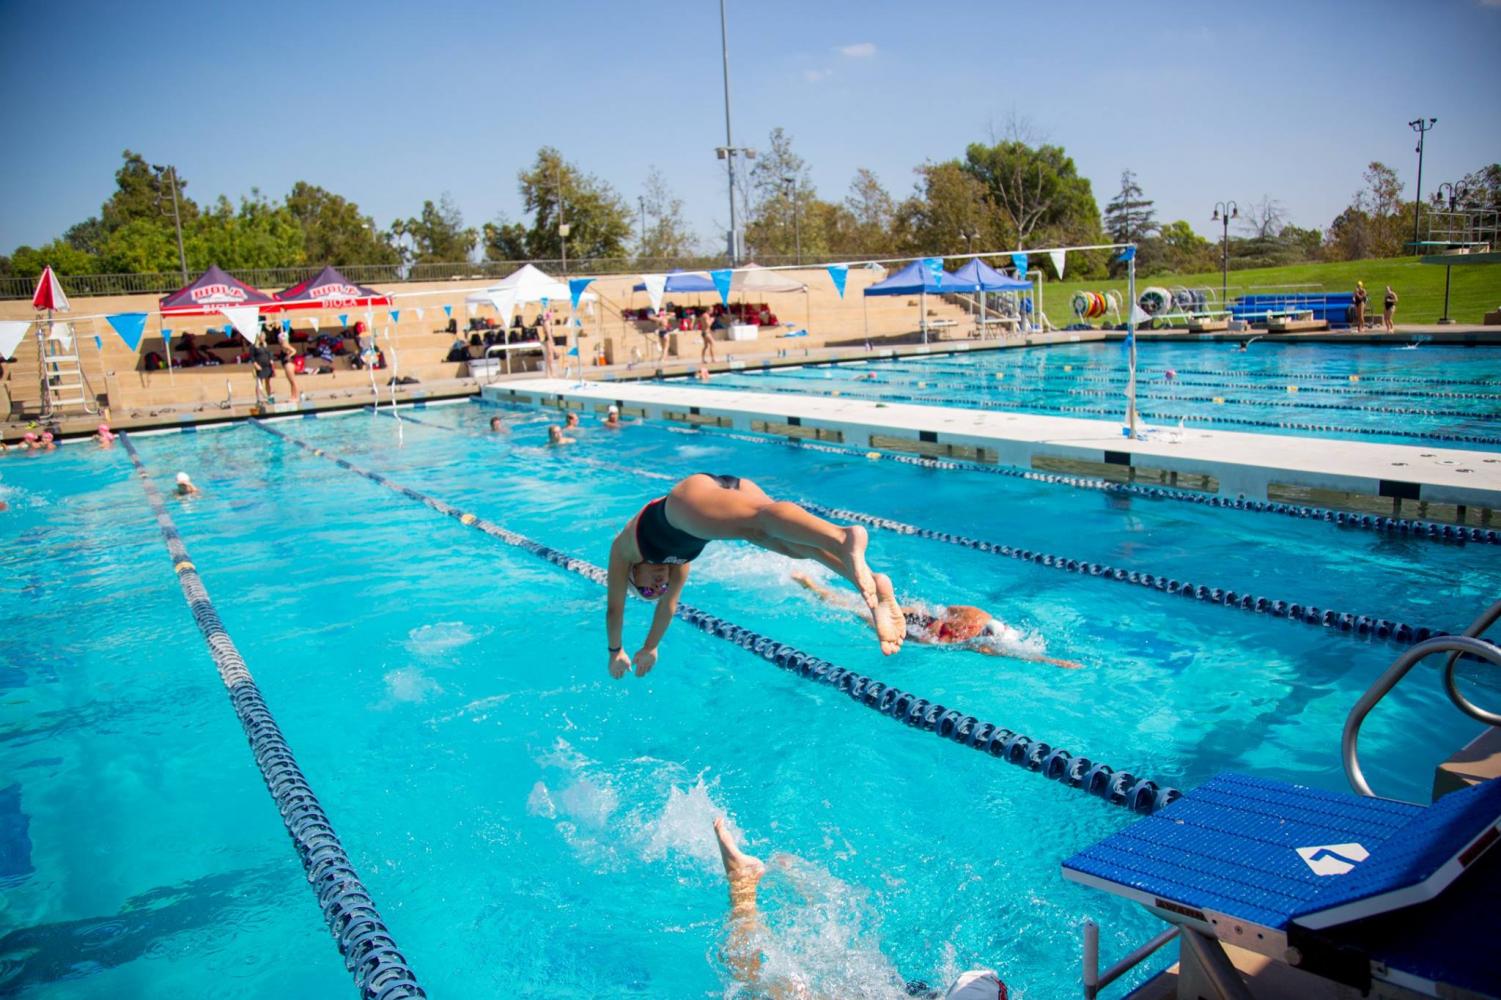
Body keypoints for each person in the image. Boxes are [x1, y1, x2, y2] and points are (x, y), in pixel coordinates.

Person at [606, 474, 904, 678]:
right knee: (790, 545)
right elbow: (668, 607)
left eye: (646, 591)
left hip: (686, 501)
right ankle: (871, 588)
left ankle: (842, 537)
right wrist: (649, 647)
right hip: (730, 492)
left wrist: (616, 650)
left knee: (761, 518)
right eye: (656, 591)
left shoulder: (624, 550)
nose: (658, 587)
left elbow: (615, 607)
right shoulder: (680, 566)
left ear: (633, 576)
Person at [712, 817, 1008, 1000]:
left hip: (889, 988)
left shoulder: (960, 989)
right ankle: (743, 883)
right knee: (754, 986)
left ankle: (791, 880)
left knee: (831, 951)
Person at [793, 572, 1081, 668]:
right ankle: (814, 587)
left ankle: (818, 586)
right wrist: (1055, 662)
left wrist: (944, 620)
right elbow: (1017, 656)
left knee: (860, 605)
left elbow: (950, 608)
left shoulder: (980, 616)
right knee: (857, 611)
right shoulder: (982, 644)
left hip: (927, 620)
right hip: (921, 633)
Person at [275, 331, 301, 402]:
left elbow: (294, 350)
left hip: (288, 364)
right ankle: (293, 396)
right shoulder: (284, 345)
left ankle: (296, 396)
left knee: (293, 381)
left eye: (279, 339)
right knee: (291, 382)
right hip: (287, 364)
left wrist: (289, 356)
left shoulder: (284, 344)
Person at [251, 333, 275, 402]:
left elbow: (270, 353)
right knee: (259, 383)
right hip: (260, 366)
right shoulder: (253, 347)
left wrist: (271, 360)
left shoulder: (265, 345)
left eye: (264, 336)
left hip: (267, 366)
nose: (263, 338)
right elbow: (252, 357)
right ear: (258, 337)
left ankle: (270, 397)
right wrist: (256, 365)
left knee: (268, 382)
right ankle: (259, 399)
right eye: (262, 336)